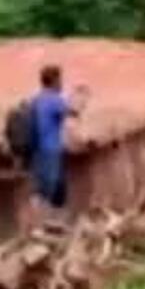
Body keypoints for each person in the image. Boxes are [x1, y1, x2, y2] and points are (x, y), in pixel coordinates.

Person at [27, 65, 83, 225]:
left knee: (47, 186)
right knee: (51, 189)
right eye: (60, 79)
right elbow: (74, 112)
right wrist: (79, 98)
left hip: (37, 151)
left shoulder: (36, 99)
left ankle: (45, 221)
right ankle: (45, 223)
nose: (61, 83)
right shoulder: (54, 100)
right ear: (54, 81)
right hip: (50, 150)